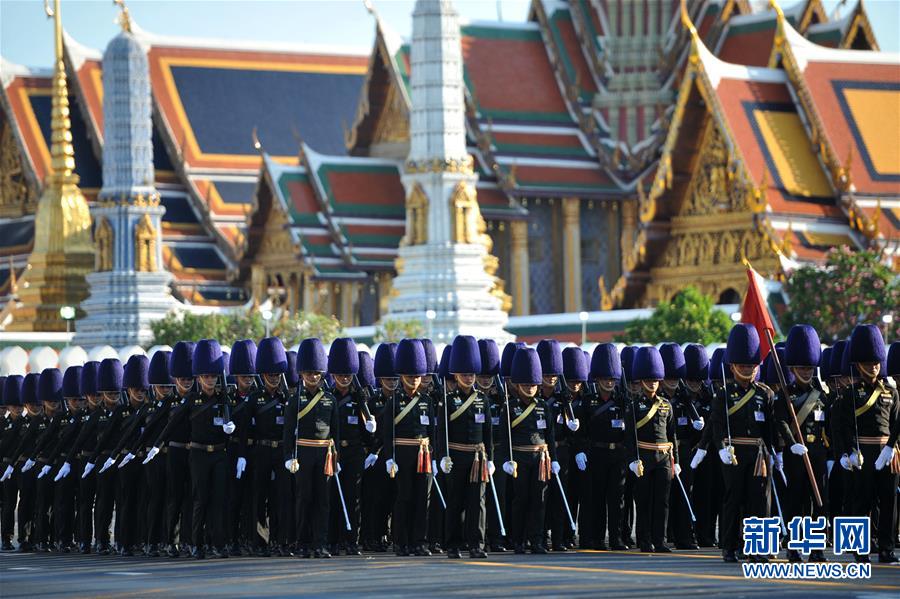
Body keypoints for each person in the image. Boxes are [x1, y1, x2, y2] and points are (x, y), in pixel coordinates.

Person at [146, 339, 237, 559]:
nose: (210, 380)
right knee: (198, 500)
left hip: (218, 453)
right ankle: (194, 543)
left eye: (213, 376)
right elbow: (172, 424)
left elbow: (233, 427)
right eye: (205, 377)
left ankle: (217, 542)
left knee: (218, 500)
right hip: (197, 454)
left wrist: (231, 427)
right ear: (200, 377)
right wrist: (157, 445)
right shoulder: (192, 400)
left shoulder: (224, 399)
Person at [833, 325, 899, 563]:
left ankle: (886, 548)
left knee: (889, 502)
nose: (873, 366)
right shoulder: (851, 394)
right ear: (859, 364)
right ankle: (860, 550)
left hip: (887, 452)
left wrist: (891, 447)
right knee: (862, 501)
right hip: (862, 451)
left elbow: (897, 423)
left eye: (876, 362)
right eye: (868, 363)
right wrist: (848, 451)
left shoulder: (890, 392)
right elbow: (843, 426)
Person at [712, 324, 774, 563]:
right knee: (733, 499)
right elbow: (716, 425)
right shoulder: (724, 393)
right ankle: (729, 546)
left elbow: (769, 426)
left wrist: (774, 453)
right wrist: (720, 449)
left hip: (759, 454)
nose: (747, 370)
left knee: (759, 501)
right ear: (733, 366)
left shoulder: (764, 393)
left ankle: (757, 548)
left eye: (751, 365)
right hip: (733, 452)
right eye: (743, 365)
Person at [776, 325, 830, 563]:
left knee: (818, 503)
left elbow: (829, 427)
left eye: (809, 368)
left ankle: (816, 549)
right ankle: (794, 549)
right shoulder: (786, 396)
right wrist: (791, 444)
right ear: (793, 368)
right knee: (795, 503)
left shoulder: (821, 395)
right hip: (795, 454)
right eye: (802, 368)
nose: (806, 372)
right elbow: (780, 422)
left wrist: (831, 454)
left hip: (817, 452)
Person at [437, 335, 493, 559]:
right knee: (455, 502)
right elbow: (440, 431)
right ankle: (452, 544)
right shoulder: (447, 400)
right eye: (464, 374)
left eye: (471, 374)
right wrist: (442, 456)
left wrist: (490, 459)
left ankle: (476, 545)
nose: (469, 378)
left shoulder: (483, 400)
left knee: (477, 503)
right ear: (456, 375)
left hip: (478, 458)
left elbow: (488, 432)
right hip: (456, 456)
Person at [283, 337, 339, 559]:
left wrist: (337, 459)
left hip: (324, 453)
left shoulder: (330, 399)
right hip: (303, 453)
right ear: (301, 374)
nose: (313, 377)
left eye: (317, 373)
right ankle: (302, 542)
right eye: (309, 373)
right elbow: (287, 432)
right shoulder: (294, 399)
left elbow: (336, 431)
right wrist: (288, 455)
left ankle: (320, 543)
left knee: (323, 501)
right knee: (304, 499)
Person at [499, 347, 558, 554]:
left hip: (541, 458)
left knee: (539, 501)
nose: (531, 388)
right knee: (520, 500)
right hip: (520, 458)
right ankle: (519, 540)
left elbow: (550, 435)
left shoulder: (543, 406)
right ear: (518, 384)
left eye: (533, 384)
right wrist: (507, 459)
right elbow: (504, 436)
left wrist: (555, 459)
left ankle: (537, 540)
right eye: (526, 384)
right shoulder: (510, 406)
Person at [380, 339, 434, 557]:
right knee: (404, 497)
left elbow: (433, 433)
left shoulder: (427, 401)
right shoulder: (393, 401)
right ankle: (401, 542)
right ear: (403, 377)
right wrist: (389, 457)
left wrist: (437, 457)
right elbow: (386, 433)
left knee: (423, 498)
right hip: (402, 453)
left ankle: (419, 541)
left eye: (417, 377)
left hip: (424, 454)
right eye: (410, 377)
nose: (414, 381)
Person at [327, 338, 376, 556]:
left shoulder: (359, 398)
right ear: (334, 375)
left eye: (348, 375)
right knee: (333, 496)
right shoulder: (328, 396)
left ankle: (351, 539)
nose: (344, 379)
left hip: (355, 451)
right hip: (333, 451)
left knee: (353, 496)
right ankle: (333, 539)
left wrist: (371, 444)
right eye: (340, 375)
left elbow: (368, 431)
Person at [625, 347, 677, 554]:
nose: (653, 383)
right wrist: (632, 458)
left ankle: (660, 539)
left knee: (662, 501)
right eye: (649, 379)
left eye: (655, 379)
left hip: (664, 456)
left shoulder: (666, 405)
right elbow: (629, 436)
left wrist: (677, 462)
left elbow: (672, 436)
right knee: (644, 500)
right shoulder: (634, 405)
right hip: (644, 456)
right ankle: (645, 540)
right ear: (641, 380)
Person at [577, 343, 627, 550]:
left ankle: (616, 538)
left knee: (617, 500)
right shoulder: (588, 402)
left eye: (612, 379)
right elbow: (580, 431)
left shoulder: (623, 400)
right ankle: (594, 538)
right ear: (597, 379)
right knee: (594, 498)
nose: (609, 382)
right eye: (605, 379)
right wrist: (581, 450)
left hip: (618, 454)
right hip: (596, 453)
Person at [249, 337, 293, 556]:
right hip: (262, 450)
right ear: (263, 374)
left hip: (282, 450)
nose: (274, 378)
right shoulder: (255, 398)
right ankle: (260, 540)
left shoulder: (288, 397)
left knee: (282, 497)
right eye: (271, 375)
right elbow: (246, 428)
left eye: (277, 375)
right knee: (259, 496)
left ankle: (281, 539)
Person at [659, 343, 702, 550]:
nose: (672, 383)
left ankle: (684, 535)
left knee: (686, 493)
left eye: (676, 379)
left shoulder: (685, 399)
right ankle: (663, 535)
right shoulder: (659, 398)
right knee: (665, 496)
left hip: (685, 450)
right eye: (669, 379)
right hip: (665, 452)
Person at [683, 345, 721, 548]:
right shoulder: (681, 398)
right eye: (691, 380)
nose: (695, 384)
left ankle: (706, 533)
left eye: (698, 380)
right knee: (687, 495)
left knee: (707, 494)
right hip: (686, 452)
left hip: (706, 452)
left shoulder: (708, 396)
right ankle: (687, 533)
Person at [361, 344, 396, 552]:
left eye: (394, 379)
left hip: (395, 454)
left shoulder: (401, 401)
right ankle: (371, 535)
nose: (392, 383)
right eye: (388, 379)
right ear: (380, 379)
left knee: (393, 496)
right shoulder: (373, 402)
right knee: (375, 499)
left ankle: (386, 533)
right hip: (376, 455)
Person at [225, 340, 255, 556]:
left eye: (251, 377)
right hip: (233, 451)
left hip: (255, 451)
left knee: (252, 499)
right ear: (236, 377)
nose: (248, 381)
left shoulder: (258, 397)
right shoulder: (227, 399)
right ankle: (231, 539)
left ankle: (250, 539)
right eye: (245, 377)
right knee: (232, 499)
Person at [6, 373, 42, 552]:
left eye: (38, 403)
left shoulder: (45, 421)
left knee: (40, 501)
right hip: (22, 465)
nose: (36, 407)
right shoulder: (20, 422)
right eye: (32, 404)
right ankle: (23, 537)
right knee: (25, 501)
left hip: (41, 464)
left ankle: (38, 536)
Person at [0, 376, 24, 551]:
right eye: (14, 405)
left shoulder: (27, 423)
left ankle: (24, 536)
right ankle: (6, 537)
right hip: (6, 465)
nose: (17, 408)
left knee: (25, 501)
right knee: (8, 503)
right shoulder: (4, 424)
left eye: (20, 405)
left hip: (23, 465)